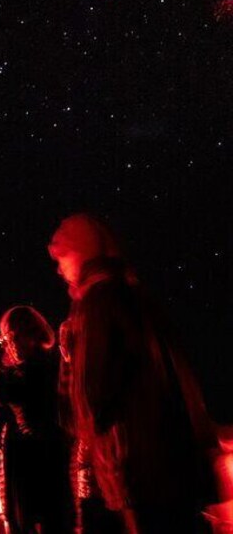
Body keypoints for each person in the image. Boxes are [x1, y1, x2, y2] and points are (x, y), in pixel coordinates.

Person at [48, 214, 219, 533]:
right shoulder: (137, 298)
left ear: (79, 253)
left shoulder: (95, 305)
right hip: (172, 467)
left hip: (133, 470)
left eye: (61, 258)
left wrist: (70, 359)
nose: (58, 270)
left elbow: (90, 403)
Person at [0, 305, 75, 533]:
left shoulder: (48, 373)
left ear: (28, 334)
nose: (8, 345)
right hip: (33, 470)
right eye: (3, 339)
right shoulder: (15, 377)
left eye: (9, 337)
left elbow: (44, 426)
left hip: (38, 470)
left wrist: (4, 400)